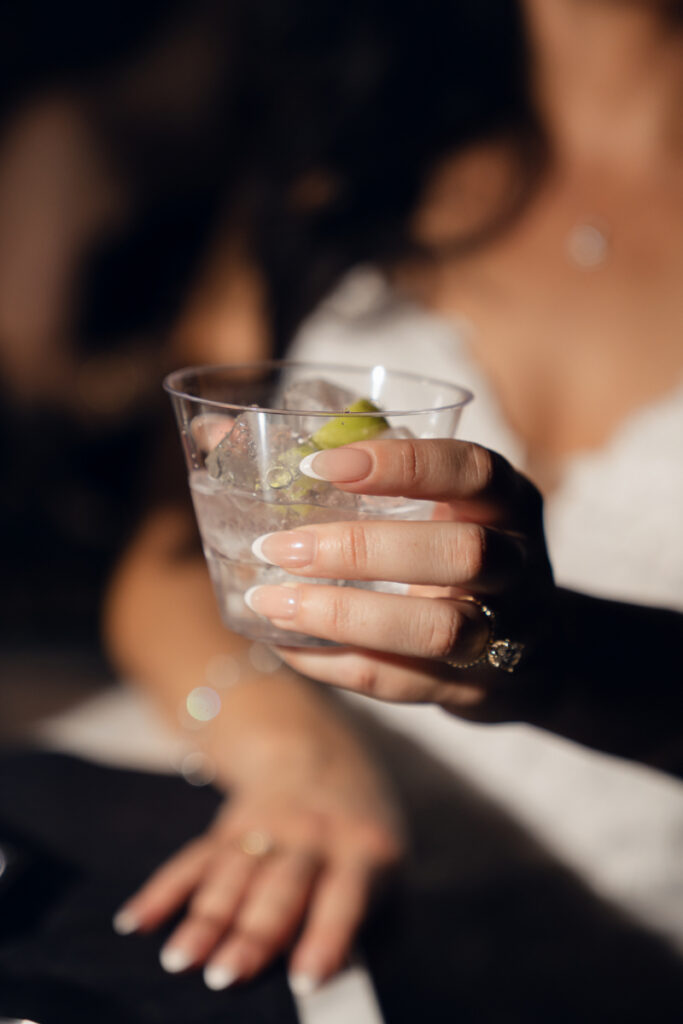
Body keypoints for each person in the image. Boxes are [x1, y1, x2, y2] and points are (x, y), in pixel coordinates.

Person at [106, 0, 683, 997]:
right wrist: (294, 759)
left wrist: (553, 664)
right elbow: (166, 555)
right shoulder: (342, 157)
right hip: (272, 852)